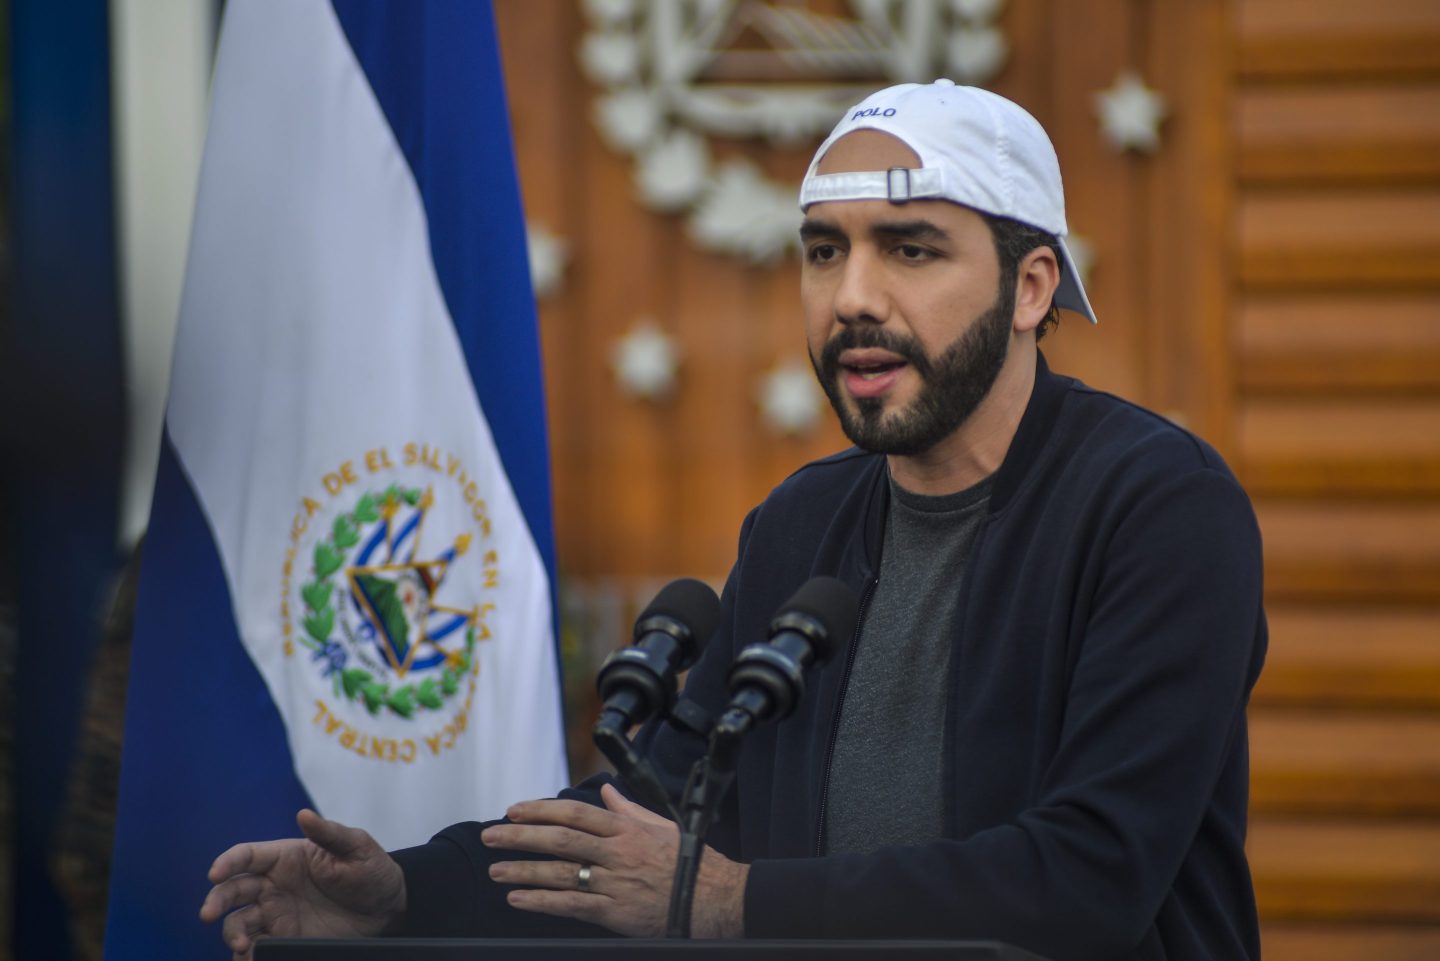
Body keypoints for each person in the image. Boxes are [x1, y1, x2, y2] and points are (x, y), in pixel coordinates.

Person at [201, 81, 1266, 961]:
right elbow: (654, 809)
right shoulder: (807, 519)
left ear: (1032, 287)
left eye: (910, 249)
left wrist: (729, 904)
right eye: (821, 250)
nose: (852, 297)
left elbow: (1088, 878)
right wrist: (404, 894)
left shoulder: (1160, 508)